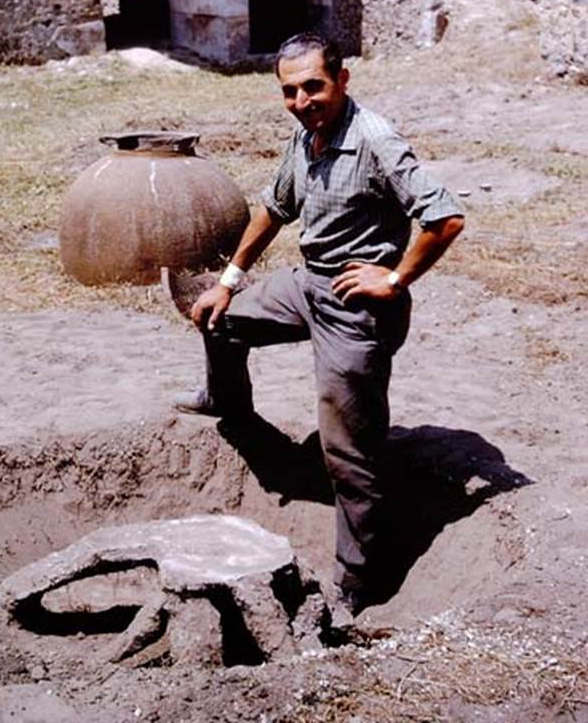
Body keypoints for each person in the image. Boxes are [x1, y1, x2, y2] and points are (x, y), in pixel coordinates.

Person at [174, 32, 464, 613]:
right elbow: (275, 208)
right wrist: (230, 281)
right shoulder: (306, 136)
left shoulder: (376, 140)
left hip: (359, 310)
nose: (303, 100)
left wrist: (394, 278)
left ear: (342, 80)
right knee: (217, 318)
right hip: (309, 284)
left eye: (314, 87)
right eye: (290, 91)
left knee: (348, 457)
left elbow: (445, 218)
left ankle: (358, 584)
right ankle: (226, 401)